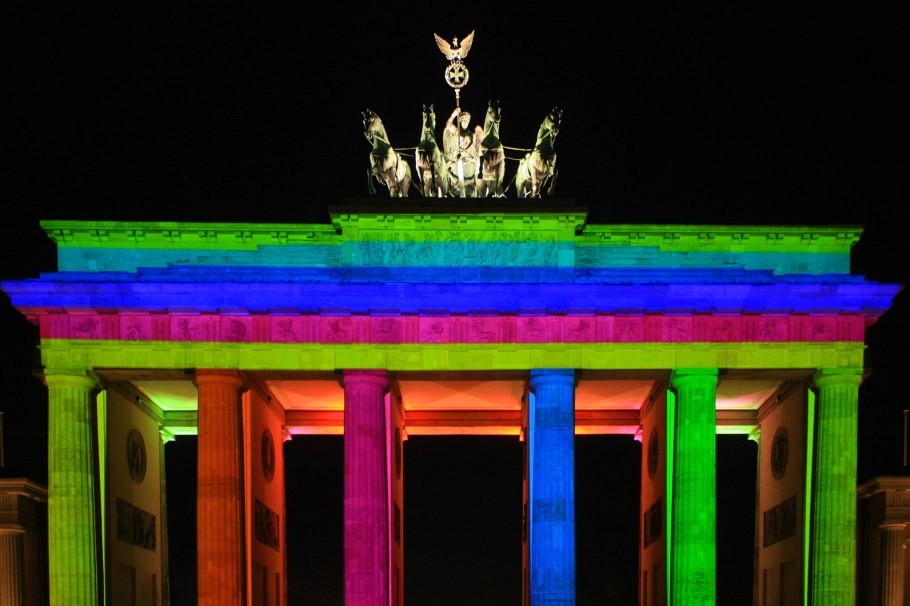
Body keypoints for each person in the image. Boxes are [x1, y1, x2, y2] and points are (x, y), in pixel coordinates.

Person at [442, 108, 482, 197]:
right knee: (444, 166)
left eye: (466, 120)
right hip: (456, 159)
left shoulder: (473, 135)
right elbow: (448, 125)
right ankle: (446, 186)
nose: (464, 122)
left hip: (470, 160)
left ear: (469, 122)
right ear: (460, 121)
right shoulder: (456, 132)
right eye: (463, 120)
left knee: (480, 166)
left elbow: (477, 150)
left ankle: (479, 185)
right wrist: (454, 114)